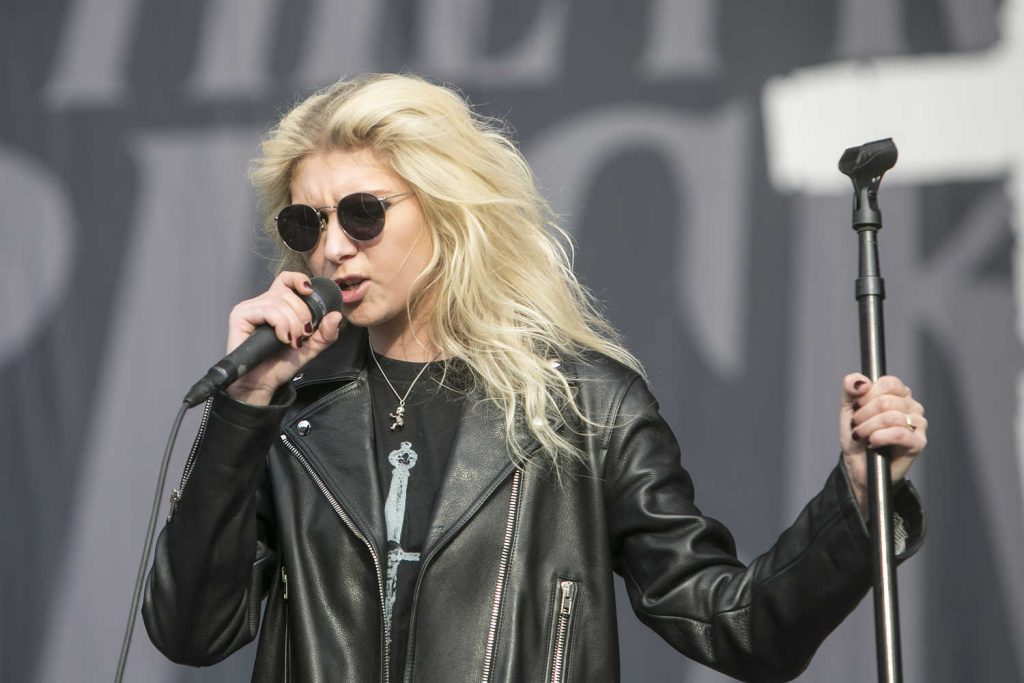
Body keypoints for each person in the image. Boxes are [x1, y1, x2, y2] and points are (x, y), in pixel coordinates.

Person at [143, 73, 927, 682]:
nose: (333, 248)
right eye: (305, 223)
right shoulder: (290, 414)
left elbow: (742, 627)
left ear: (447, 207)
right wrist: (245, 407)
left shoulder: (585, 405)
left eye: (364, 213)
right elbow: (191, 632)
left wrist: (856, 501)